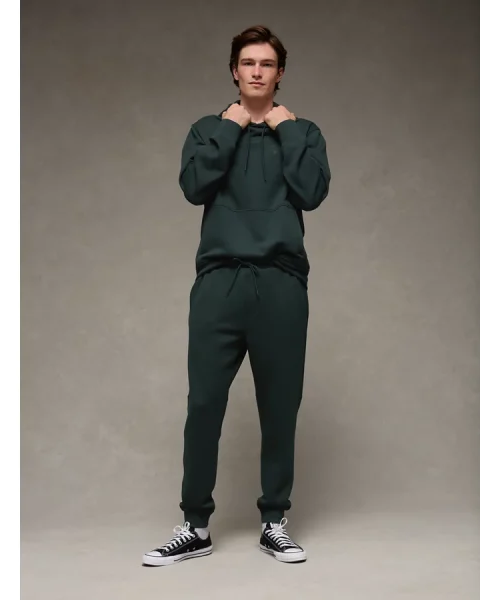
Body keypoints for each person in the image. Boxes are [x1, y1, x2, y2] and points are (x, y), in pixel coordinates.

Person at [142, 24, 331, 567]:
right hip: (219, 282)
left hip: (280, 283)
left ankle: (274, 522)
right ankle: (194, 526)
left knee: (280, 405)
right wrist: (231, 126)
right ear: (233, 70)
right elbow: (194, 187)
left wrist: (285, 128)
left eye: (266, 64)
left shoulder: (304, 132)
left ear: (280, 73)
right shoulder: (207, 129)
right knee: (204, 403)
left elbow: (312, 193)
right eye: (247, 62)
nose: (256, 71)